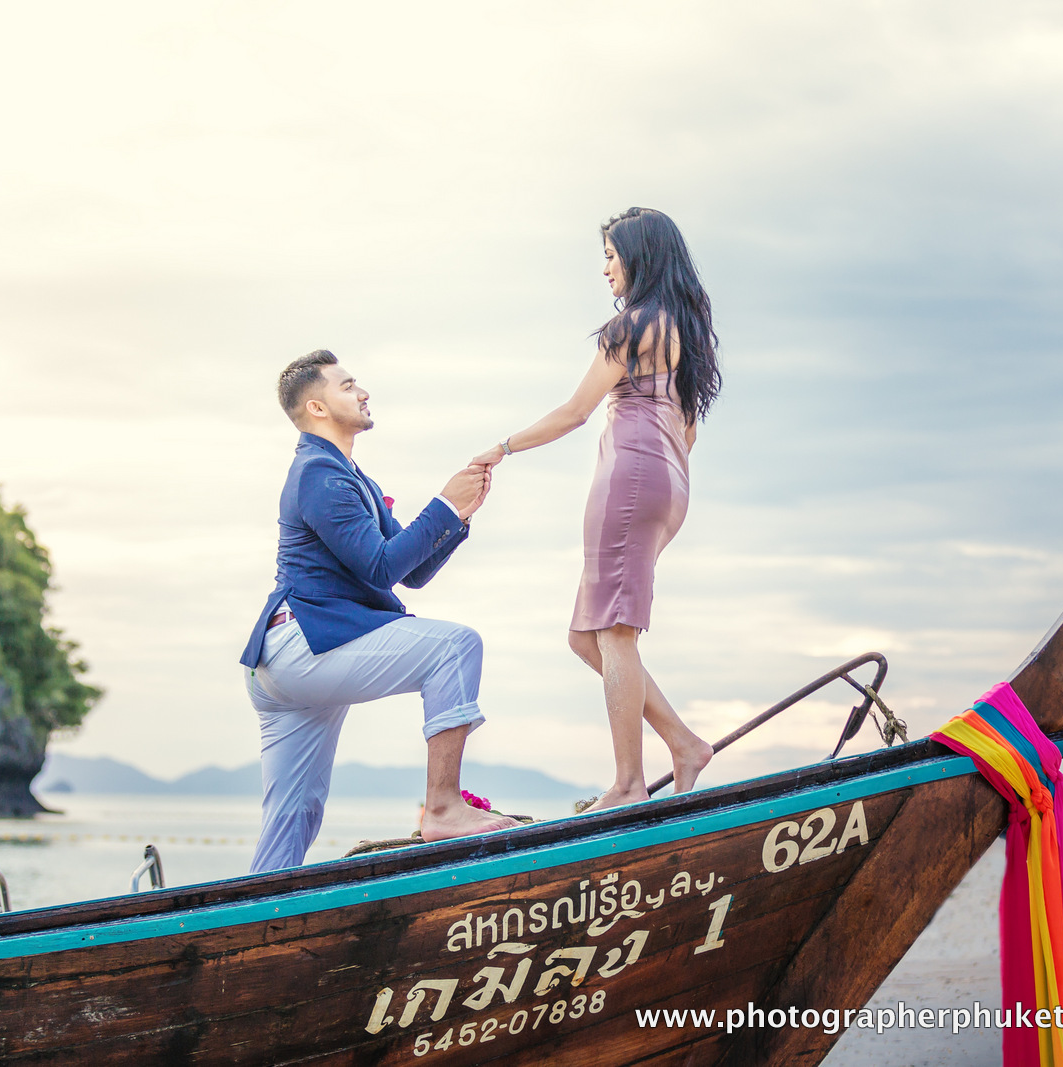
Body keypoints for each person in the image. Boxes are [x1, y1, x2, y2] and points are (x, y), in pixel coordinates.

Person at [471, 207, 722, 812]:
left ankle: (629, 783)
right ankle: (684, 743)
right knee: (588, 638)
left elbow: (574, 411)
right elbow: (687, 433)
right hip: (668, 483)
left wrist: (502, 448)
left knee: (614, 632)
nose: (605, 268)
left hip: (629, 480)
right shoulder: (683, 330)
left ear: (639, 256)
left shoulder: (631, 327)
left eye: (611, 255)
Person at [243, 350, 518, 873]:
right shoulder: (320, 475)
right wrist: (441, 502)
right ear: (318, 408)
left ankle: (247, 922)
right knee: (455, 646)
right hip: (305, 645)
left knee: (294, 815)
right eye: (349, 386)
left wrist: (455, 514)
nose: (363, 392)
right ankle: (443, 807)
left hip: (288, 660)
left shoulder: (346, 475)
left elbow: (409, 571)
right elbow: (379, 569)